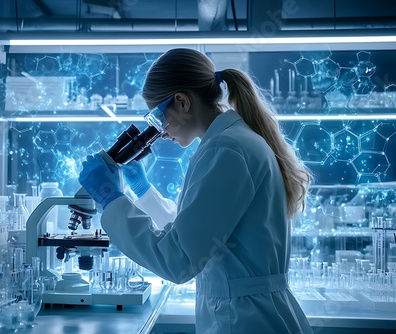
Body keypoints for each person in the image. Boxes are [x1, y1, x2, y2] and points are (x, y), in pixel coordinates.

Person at [78, 48, 313, 334]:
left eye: (158, 118)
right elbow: (195, 234)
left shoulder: (227, 149)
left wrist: (112, 200)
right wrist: (143, 192)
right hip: (249, 314)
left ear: (182, 102)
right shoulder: (229, 142)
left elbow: (178, 260)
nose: (160, 132)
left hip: (246, 320)